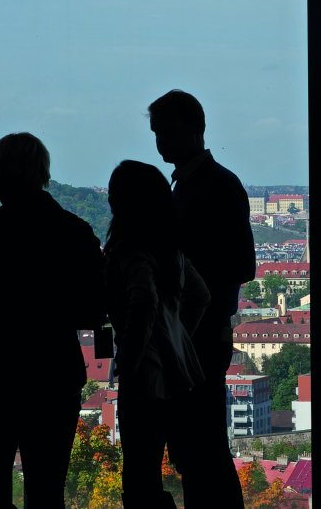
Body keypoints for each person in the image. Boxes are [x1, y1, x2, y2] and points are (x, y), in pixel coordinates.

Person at [0, 132, 106, 509]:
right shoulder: (75, 231)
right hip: (54, 375)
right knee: (47, 490)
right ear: (42, 174)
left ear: (2, 177)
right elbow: (93, 309)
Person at [148, 89, 256, 508]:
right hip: (196, 331)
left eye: (168, 132)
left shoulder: (215, 185)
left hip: (201, 332)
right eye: (157, 134)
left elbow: (242, 265)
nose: (161, 143)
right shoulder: (198, 183)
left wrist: (182, 272)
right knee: (198, 448)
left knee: (201, 447)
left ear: (196, 130)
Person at [104, 160, 210, 508]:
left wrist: (129, 359)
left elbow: (143, 304)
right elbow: (201, 296)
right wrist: (179, 337)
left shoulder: (130, 251)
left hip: (146, 376)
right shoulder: (172, 251)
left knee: (140, 476)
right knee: (192, 467)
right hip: (185, 372)